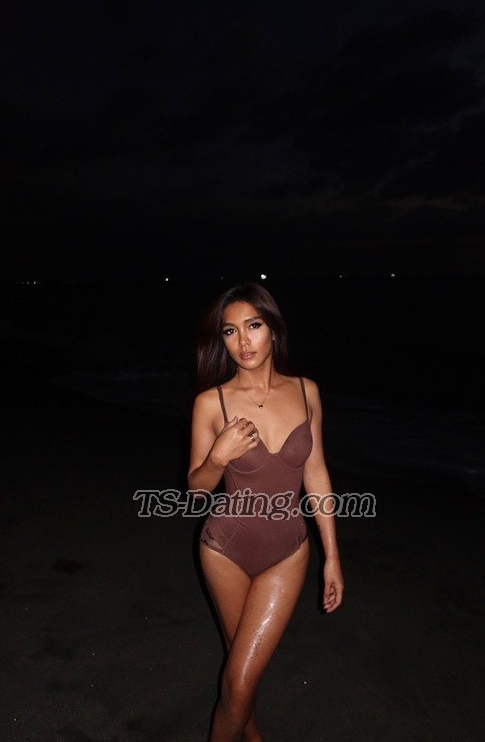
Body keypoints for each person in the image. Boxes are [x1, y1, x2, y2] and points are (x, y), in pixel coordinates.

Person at [188, 283, 343, 742]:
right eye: (230, 331)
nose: (243, 341)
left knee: (240, 676)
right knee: (240, 675)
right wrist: (218, 457)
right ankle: (252, 734)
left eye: (253, 326)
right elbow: (196, 490)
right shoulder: (210, 402)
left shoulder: (306, 391)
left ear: (273, 329)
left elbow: (316, 473)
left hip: (288, 553)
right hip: (225, 551)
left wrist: (332, 557)